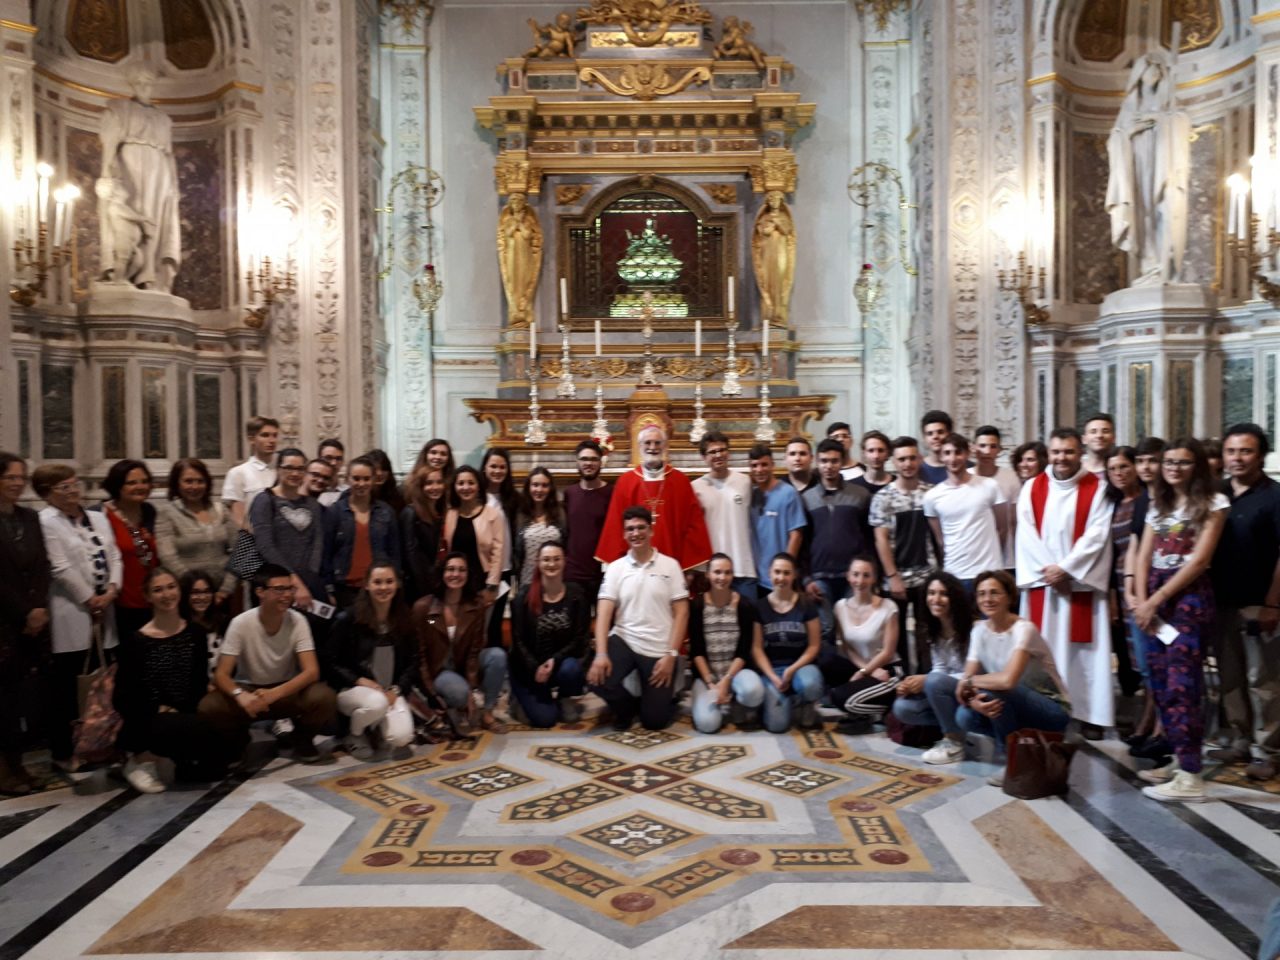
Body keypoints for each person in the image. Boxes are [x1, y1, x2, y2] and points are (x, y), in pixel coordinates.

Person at [1131, 438, 1227, 802]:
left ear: (1198, 466)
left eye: (1183, 462)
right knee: (1159, 682)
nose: (1174, 468)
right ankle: (1179, 757)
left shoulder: (1214, 503)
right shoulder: (1159, 503)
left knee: (1183, 683)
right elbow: (1143, 555)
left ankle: (1191, 775)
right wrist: (1142, 602)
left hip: (1185, 599)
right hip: (1153, 600)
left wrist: (1155, 600)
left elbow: (1199, 560)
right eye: (1169, 461)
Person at [1015, 428, 1115, 733]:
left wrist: (1067, 569)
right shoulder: (1032, 487)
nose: (1062, 458)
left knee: (1084, 654)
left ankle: (1089, 715)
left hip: (1078, 585)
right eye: (1057, 452)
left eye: (1069, 452)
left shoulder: (1097, 488)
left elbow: (1098, 534)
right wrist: (1050, 571)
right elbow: (1026, 533)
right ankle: (1043, 711)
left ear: (1080, 452)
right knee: (1040, 650)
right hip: (1043, 585)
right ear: (1049, 453)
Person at [198, 563, 338, 764]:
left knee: (324, 697)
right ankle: (238, 741)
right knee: (210, 706)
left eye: (290, 588)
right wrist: (241, 695)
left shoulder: (298, 620)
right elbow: (222, 674)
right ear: (260, 592)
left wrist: (274, 694)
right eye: (279, 589)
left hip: (285, 690)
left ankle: (302, 738)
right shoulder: (241, 623)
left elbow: (311, 671)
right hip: (250, 689)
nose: (286, 595)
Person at [35, 464, 122, 770]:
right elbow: (59, 567)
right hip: (72, 612)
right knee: (68, 686)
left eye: (75, 485)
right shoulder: (45, 521)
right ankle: (65, 751)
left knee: (104, 684)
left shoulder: (98, 517)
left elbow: (114, 555)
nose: (73, 492)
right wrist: (89, 599)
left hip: (105, 609)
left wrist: (111, 591)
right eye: (65, 487)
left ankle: (101, 744)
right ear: (47, 494)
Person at [115, 569, 235, 792]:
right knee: (193, 728)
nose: (167, 594)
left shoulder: (195, 634)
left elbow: (197, 684)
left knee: (216, 767)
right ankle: (141, 760)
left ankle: (180, 758)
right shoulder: (137, 641)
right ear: (148, 596)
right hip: (148, 718)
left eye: (171, 587)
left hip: (184, 715)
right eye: (158, 590)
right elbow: (122, 697)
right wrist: (157, 708)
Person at [1208, 424, 1280, 779]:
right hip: (1220, 601)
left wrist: (1273, 603)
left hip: (1258, 601)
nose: (1237, 458)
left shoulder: (1274, 496)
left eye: (1245, 451)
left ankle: (1267, 750)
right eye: (1231, 451)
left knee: (1262, 681)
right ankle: (1239, 738)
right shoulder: (1216, 493)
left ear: (1261, 455)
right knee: (1230, 677)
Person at [957, 570, 1070, 782]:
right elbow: (968, 680)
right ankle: (1021, 747)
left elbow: (1007, 680)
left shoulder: (1024, 629)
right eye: (981, 594)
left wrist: (968, 683)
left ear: (1009, 597)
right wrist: (973, 701)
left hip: (1051, 708)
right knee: (964, 716)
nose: (987, 599)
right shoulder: (978, 630)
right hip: (1012, 701)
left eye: (994, 593)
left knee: (997, 690)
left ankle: (1013, 762)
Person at [589, 506, 690, 731]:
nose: (636, 533)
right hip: (625, 640)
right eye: (630, 529)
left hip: (659, 649)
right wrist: (601, 654)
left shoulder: (670, 566)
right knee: (594, 677)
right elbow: (604, 611)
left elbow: (682, 612)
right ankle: (626, 709)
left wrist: (671, 655)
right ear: (624, 534)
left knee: (654, 722)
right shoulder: (615, 568)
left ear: (651, 530)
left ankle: (657, 700)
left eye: (641, 528)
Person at [1106, 49, 1190, 285]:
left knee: (1165, 209)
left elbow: (1182, 122)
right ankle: (1149, 264)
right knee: (1141, 213)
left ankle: (1166, 266)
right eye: (1151, 66)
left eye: (1159, 67)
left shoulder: (1168, 103)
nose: (1155, 71)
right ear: (1140, 73)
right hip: (1137, 166)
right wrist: (1130, 132)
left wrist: (1162, 120)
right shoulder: (1129, 108)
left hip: (1163, 164)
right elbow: (1115, 139)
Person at [96, 66, 181, 291]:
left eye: (148, 82)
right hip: (129, 162)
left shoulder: (164, 119)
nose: (144, 87)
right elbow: (110, 141)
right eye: (139, 82)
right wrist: (106, 172)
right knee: (128, 211)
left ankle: (148, 273)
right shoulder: (120, 108)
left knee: (154, 219)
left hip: (159, 169)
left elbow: (169, 154)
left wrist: (174, 184)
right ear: (132, 85)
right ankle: (123, 271)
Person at [328, 562, 418, 759]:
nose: (384, 587)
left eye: (389, 582)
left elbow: (413, 662)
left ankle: (375, 728)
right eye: (377, 582)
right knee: (376, 704)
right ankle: (355, 735)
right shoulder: (348, 618)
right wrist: (359, 680)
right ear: (366, 585)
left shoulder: (404, 618)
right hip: (352, 691)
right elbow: (330, 661)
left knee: (401, 737)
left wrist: (397, 689)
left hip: (389, 690)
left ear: (397, 585)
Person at [412, 552, 509, 734]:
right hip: (440, 671)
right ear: (442, 573)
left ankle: (487, 714)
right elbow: (421, 654)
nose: (456, 574)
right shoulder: (425, 609)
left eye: (461, 570)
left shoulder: (476, 605)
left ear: (468, 575)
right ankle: (454, 705)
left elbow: (475, 650)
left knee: (497, 656)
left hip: (464, 665)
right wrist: (430, 691)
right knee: (458, 692)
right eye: (450, 569)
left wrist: (471, 688)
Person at [594, 425, 712, 571]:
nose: (652, 447)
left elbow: (693, 525)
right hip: (633, 567)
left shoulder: (680, 481)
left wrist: (689, 568)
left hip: (674, 564)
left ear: (665, 446)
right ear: (639, 446)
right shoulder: (626, 482)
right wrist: (614, 566)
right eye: (647, 442)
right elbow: (615, 525)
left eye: (657, 443)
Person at [0, 453, 50, 793]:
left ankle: (18, 764)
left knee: (22, 698)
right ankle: (3, 769)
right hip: (3, 622)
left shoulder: (29, 517)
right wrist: (24, 612)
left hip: (32, 621)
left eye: (22, 477)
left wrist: (39, 609)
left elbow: (42, 566)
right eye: (10, 477)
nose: (18, 483)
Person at [871, 436, 938, 672]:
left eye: (911, 458)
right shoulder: (883, 497)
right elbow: (881, 539)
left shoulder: (931, 494)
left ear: (919, 459)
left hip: (927, 576)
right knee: (895, 635)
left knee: (927, 632)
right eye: (902, 459)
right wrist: (892, 575)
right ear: (894, 462)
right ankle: (904, 682)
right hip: (896, 577)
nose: (907, 463)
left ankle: (926, 680)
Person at [893, 573, 974, 764]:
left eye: (943, 594)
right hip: (951, 691)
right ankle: (955, 727)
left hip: (972, 690)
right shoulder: (934, 629)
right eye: (931, 593)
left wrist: (928, 680)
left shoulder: (973, 628)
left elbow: (976, 673)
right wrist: (917, 683)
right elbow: (940, 667)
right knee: (902, 708)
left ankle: (954, 741)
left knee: (934, 681)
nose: (936, 599)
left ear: (954, 597)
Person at [510, 542, 589, 727]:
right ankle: (518, 698)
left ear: (564, 562)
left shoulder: (577, 595)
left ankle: (564, 697)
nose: (551, 564)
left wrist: (554, 660)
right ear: (538, 562)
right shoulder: (523, 597)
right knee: (546, 720)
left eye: (556, 559)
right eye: (546, 559)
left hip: (558, 665)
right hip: (528, 667)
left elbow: (580, 638)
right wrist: (534, 667)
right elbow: (518, 640)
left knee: (573, 669)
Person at [802, 438, 874, 640]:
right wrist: (806, 579)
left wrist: (870, 572)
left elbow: (869, 539)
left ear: (842, 462)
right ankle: (827, 672)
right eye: (824, 461)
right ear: (817, 461)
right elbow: (803, 543)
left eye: (834, 461)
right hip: (819, 576)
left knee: (856, 630)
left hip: (853, 576)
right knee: (825, 630)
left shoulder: (860, 495)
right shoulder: (807, 498)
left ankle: (857, 672)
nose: (829, 466)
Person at [689, 554, 764, 733]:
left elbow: (743, 651)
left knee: (753, 692)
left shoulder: (744, 605)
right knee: (708, 725)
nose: (722, 578)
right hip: (707, 676)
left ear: (733, 576)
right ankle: (714, 699)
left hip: (735, 674)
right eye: (717, 572)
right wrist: (711, 683)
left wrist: (726, 681)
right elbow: (697, 651)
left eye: (727, 573)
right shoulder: (697, 605)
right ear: (707, 574)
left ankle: (736, 700)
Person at [924, 433, 1007, 592]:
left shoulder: (990, 486)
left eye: (958, 452)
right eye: (947, 453)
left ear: (967, 454)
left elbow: (1002, 529)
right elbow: (940, 541)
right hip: (955, 573)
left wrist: (994, 561)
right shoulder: (932, 496)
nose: (953, 458)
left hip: (988, 572)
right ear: (941, 456)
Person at [752, 552, 824, 732]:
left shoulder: (806, 604)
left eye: (786, 573)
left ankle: (805, 702)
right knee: (777, 726)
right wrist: (773, 676)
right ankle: (779, 701)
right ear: (769, 573)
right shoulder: (759, 606)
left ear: (794, 575)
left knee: (811, 685)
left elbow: (814, 645)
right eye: (777, 572)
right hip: (773, 669)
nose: (781, 578)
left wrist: (792, 670)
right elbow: (757, 648)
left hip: (801, 667)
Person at [155, 458, 237, 608]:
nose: (195, 486)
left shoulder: (221, 510)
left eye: (200, 481)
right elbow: (167, 557)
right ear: (177, 484)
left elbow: (240, 552)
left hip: (223, 594)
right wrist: (196, 589)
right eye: (188, 481)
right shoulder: (167, 513)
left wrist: (226, 589)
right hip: (186, 595)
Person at [250, 449, 326, 610]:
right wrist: (292, 581)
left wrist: (310, 577)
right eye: (289, 468)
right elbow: (265, 546)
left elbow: (317, 543)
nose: (295, 473)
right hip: (275, 582)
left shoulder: (312, 504)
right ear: (278, 469)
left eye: (300, 469)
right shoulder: (264, 500)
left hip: (308, 582)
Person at [830, 556, 901, 728]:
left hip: (886, 671)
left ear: (874, 578)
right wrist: (865, 670)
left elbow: (888, 652)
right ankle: (868, 709)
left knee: (845, 701)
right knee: (828, 664)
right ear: (848, 576)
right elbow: (846, 646)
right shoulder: (840, 607)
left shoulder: (888, 607)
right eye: (856, 574)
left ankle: (884, 710)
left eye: (866, 575)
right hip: (863, 667)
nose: (860, 581)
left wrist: (864, 672)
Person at [323, 455, 401, 610]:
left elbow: (395, 553)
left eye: (366, 479)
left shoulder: (386, 512)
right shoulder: (335, 512)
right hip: (344, 588)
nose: (361, 484)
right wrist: (328, 588)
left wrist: (396, 583)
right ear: (347, 479)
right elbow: (326, 553)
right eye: (356, 478)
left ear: (373, 480)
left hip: (379, 587)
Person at [97, 459, 159, 642]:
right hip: (119, 601)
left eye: (144, 481)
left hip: (152, 599)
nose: (140, 486)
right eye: (132, 483)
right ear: (117, 486)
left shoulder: (149, 511)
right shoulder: (100, 515)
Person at [692, 431, 756, 598]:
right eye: (712, 452)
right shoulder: (695, 487)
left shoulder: (745, 481)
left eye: (722, 450)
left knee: (748, 621)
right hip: (713, 572)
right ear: (703, 457)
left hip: (744, 566)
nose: (718, 455)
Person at [1105, 447, 1146, 699]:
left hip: (1143, 581)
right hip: (1119, 584)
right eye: (1112, 469)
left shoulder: (1148, 500)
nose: (1118, 473)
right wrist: (1111, 595)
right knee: (1123, 646)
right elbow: (1109, 553)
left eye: (1124, 467)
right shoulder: (1114, 504)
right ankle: (1134, 706)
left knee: (1146, 647)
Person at [747, 443, 805, 596]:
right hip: (756, 576)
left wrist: (786, 571)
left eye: (764, 464)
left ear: (773, 465)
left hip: (780, 577)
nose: (759, 470)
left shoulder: (788, 493)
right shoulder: (750, 495)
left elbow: (796, 535)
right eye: (755, 465)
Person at [443, 466, 505, 602]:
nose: (466, 487)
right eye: (460, 483)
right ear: (454, 487)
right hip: (455, 579)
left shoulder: (492, 514)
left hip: (482, 580)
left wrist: (492, 584)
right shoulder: (449, 514)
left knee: (479, 622)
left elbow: (498, 551)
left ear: (478, 487)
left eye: (471, 483)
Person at [563, 439, 613, 602]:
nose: (588, 463)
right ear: (577, 462)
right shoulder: (570, 493)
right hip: (574, 573)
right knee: (578, 626)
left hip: (603, 572)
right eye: (584, 459)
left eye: (593, 459)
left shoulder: (611, 492)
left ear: (600, 462)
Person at [481, 448, 519, 647]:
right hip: (482, 569)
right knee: (478, 623)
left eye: (502, 467)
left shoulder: (512, 498)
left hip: (504, 569)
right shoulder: (477, 496)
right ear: (485, 468)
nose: (497, 471)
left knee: (495, 622)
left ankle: (495, 664)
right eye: (493, 466)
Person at [973, 426, 1019, 571]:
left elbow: (1015, 520)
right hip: (973, 555)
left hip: (1005, 558)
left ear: (999, 450)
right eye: (982, 446)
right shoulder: (966, 476)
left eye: (993, 446)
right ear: (974, 448)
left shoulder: (1010, 477)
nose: (987, 451)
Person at [512, 467, 566, 591]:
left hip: (555, 581)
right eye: (535, 485)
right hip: (527, 581)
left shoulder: (560, 513)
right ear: (528, 487)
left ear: (550, 488)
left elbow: (565, 545)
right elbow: (517, 553)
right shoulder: (520, 514)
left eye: (544, 485)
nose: (539, 490)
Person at [221, 416, 280, 530]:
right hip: (254, 540)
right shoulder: (238, 473)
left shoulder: (280, 472)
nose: (272, 440)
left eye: (275, 435)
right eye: (265, 435)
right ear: (252, 439)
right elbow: (238, 519)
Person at [401, 465, 447, 602]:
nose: (435, 487)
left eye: (439, 482)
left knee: (433, 622)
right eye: (429, 483)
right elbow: (411, 554)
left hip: (435, 582)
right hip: (418, 588)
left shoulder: (438, 513)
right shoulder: (410, 513)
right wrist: (427, 590)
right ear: (420, 487)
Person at [751, 189, 796, 324]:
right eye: (771, 199)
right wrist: (769, 226)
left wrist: (776, 223)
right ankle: (768, 315)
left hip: (781, 253)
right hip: (766, 253)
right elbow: (762, 232)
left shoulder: (784, 217)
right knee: (766, 280)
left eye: (776, 199)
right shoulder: (763, 218)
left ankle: (778, 315)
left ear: (781, 202)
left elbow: (786, 230)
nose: (773, 202)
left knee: (779, 281)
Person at [181, 570, 229, 674]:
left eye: (207, 591)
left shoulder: (223, 622)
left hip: (221, 684)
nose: (202, 597)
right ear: (185, 595)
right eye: (195, 592)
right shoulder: (178, 627)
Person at [851, 431, 892, 497]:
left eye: (881, 450)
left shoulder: (897, 484)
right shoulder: (852, 487)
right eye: (871, 450)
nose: (876, 456)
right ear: (864, 454)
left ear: (888, 453)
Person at [366, 449, 406, 515]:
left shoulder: (398, 496)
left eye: (383, 469)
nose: (379, 473)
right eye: (375, 469)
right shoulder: (359, 494)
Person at [919, 410, 955, 484]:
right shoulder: (917, 469)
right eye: (930, 433)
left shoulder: (966, 466)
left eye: (940, 432)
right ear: (924, 437)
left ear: (950, 434)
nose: (935, 437)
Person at [317, 439, 347, 507]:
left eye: (338, 459)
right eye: (328, 458)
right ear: (319, 460)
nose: (334, 463)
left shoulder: (348, 492)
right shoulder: (310, 490)